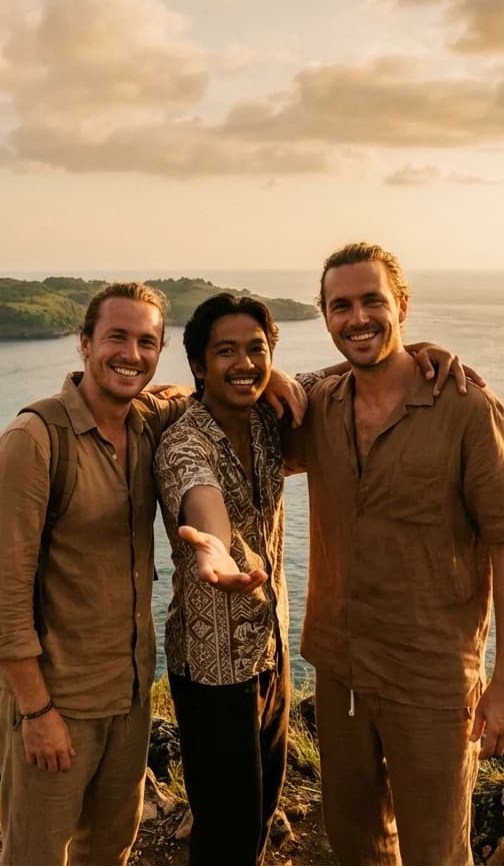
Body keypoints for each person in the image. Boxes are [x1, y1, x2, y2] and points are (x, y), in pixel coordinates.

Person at [0, 281, 309, 866]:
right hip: (59, 695)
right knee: (36, 851)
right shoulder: (34, 441)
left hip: (128, 690)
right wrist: (35, 711)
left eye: (146, 341)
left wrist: (267, 373)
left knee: (111, 844)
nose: (131, 354)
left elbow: (207, 391)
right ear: (84, 344)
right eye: (116, 338)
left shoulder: (144, 420)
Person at [285, 242, 504, 866]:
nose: (358, 317)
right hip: (340, 664)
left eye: (372, 300)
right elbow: (226, 399)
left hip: (431, 675)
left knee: (436, 850)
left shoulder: (469, 410)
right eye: (340, 306)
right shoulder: (320, 405)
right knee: (355, 841)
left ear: (402, 304)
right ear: (325, 318)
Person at [154, 294, 289, 866]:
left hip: (269, 649)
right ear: (198, 365)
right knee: (225, 829)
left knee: (260, 811)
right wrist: (214, 547)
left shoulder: (264, 419)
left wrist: (424, 352)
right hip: (212, 670)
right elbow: (200, 493)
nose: (244, 363)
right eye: (225, 351)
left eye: (256, 349)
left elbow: (347, 375)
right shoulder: (185, 442)